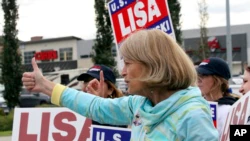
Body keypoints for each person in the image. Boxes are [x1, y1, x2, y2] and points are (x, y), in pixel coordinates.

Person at [22, 29, 218, 140]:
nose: (122, 72)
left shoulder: (193, 116)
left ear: (152, 65)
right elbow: (94, 107)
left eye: (128, 63)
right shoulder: (139, 105)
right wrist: (45, 85)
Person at [196, 57, 239, 137]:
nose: (198, 80)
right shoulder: (196, 106)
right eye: (198, 75)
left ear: (218, 80)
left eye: (203, 75)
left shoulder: (230, 110)